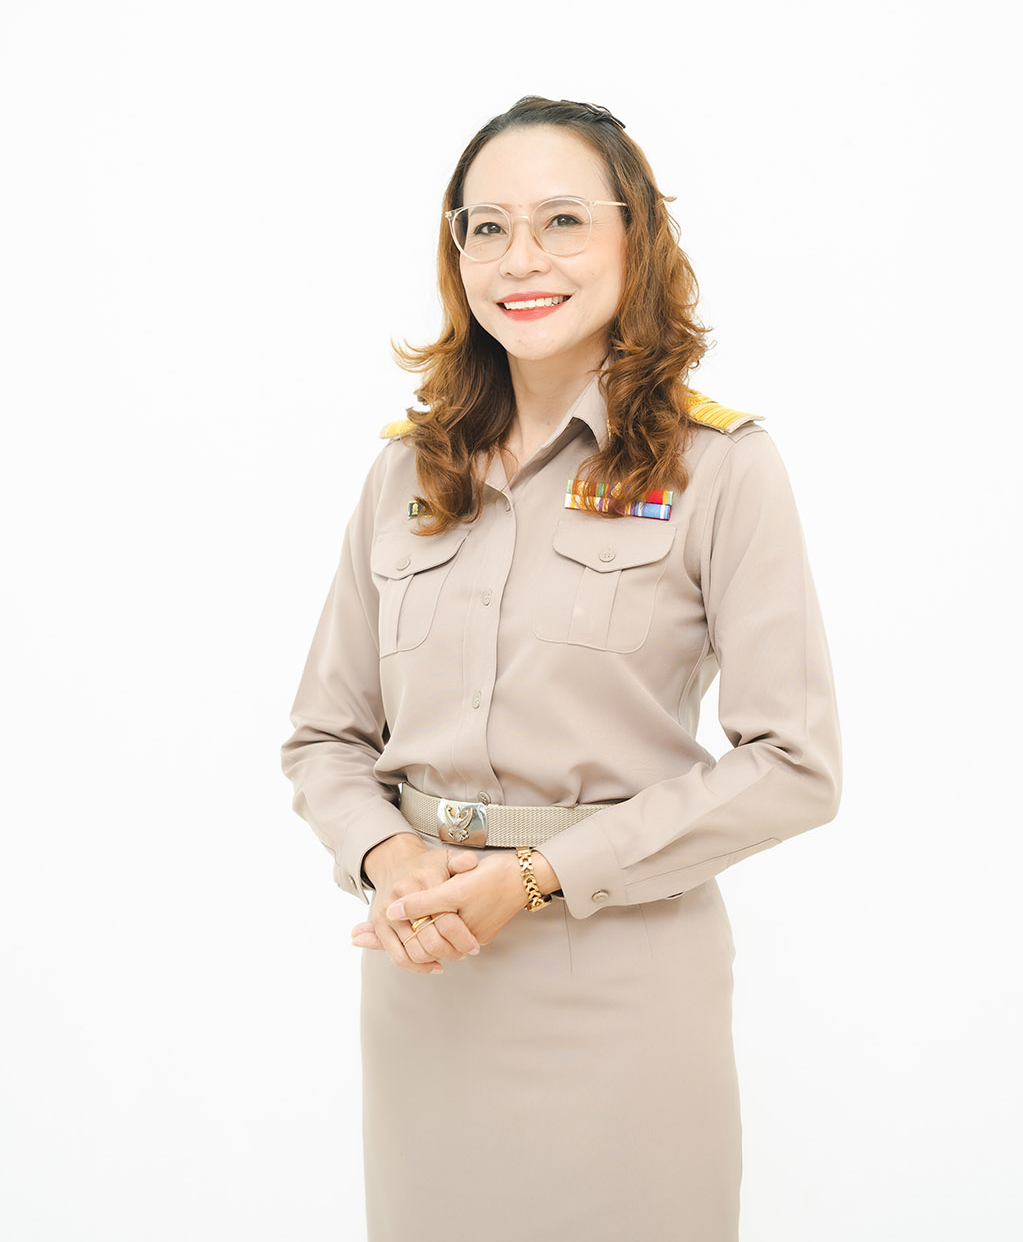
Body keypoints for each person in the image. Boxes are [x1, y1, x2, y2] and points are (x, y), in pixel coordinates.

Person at [280, 95, 842, 1241]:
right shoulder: (406, 474)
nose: (520, 259)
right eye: (486, 227)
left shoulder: (722, 467)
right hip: (426, 979)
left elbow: (795, 765)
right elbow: (325, 738)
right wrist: (389, 855)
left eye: (564, 221)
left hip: (623, 988)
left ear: (637, 239)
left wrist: (537, 879)